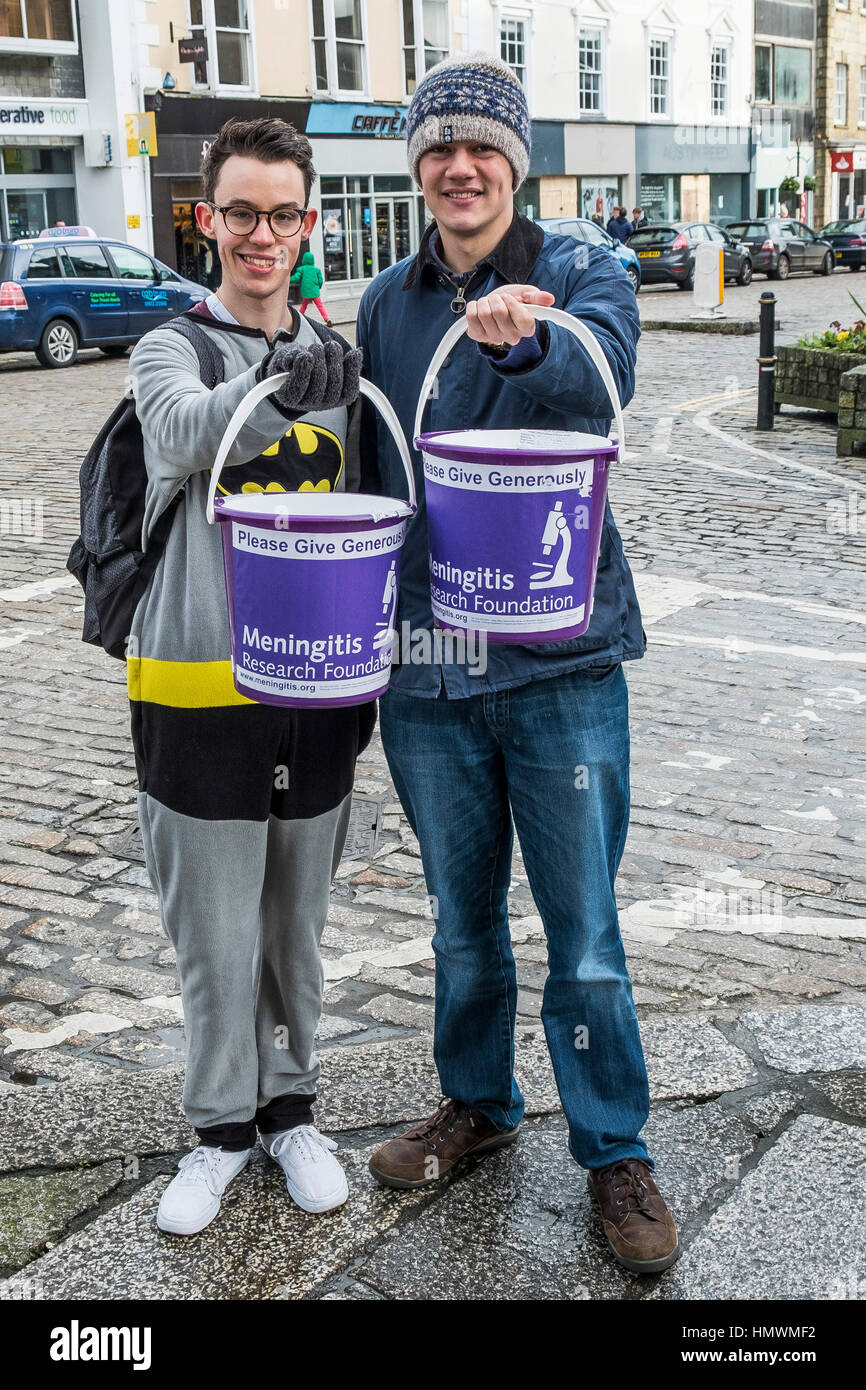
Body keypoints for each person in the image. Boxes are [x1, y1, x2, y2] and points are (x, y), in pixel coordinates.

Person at [357, 51, 680, 1276]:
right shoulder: (387, 298)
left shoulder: (578, 267)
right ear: (418, 168)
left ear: (516, 162)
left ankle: (613, 1151)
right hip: (429, 666)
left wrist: (512, 339)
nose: (457, 165)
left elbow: (605, 382)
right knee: (459, 923)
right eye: (437, 148)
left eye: (480, 147)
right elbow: (377, 464)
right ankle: (477, 1106)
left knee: (584, 931)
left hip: (560, 661)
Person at [126, 116, 369, 1236]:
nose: (259, 234)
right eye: (238, 212)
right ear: (206, 218)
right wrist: (273, 387)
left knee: (293, 923)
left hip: (312, 689)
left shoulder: (335, 350)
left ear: (305, 222)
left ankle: (290, 1110)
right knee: (213, 927)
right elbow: (177, 436)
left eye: (281, 213)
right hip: (191, 683)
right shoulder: (169, 345)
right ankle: (217, 1129)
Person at [291, 248, 332, 325]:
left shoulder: (302, 269)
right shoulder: (316, 270)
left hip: (306, 292)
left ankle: (299, 318)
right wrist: (318, 287)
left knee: (304, 305)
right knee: (320, 306)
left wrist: (288, 280)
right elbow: (320, 280)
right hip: (315, 291)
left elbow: (296, 277)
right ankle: (327, 319)